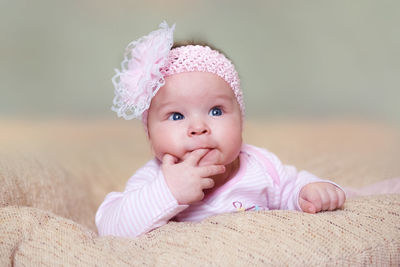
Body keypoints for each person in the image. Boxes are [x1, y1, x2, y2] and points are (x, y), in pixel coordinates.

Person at [96, 22, 346, 238]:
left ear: (241, 120)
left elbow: (291, 187)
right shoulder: (154, 178)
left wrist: (311, 191)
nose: (198, 128)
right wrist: (167, 191)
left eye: (216, 111)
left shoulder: (260, 166)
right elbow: (111, 225)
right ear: (149, 135)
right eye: (176, 115)